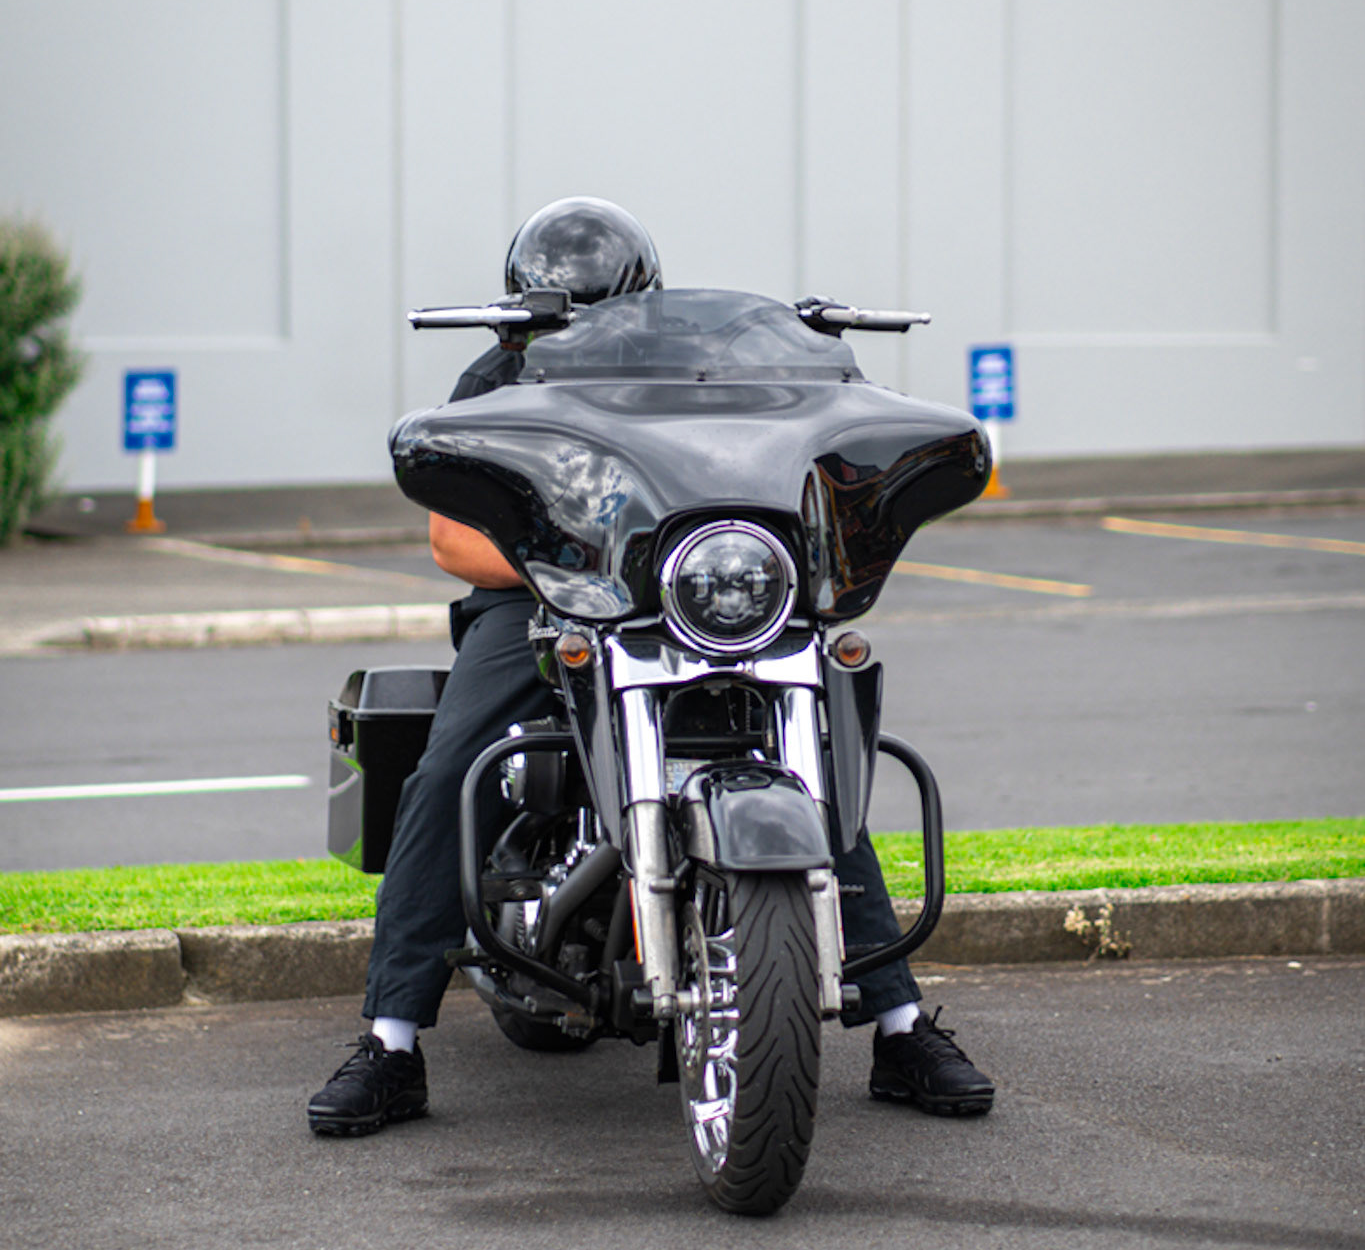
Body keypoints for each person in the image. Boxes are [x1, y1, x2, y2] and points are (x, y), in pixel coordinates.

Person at [308, 199, 995, 1136]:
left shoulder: (703, 377)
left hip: (694, 592)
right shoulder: (498, 378)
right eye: (555, 316)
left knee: (811, 761)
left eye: (596, 311)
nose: (574, 330)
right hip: (542, 600)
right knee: (447, 771)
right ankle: (390, 1043)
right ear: (523, 315)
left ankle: (901, 1027)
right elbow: (452, 542)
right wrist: (579, 561)